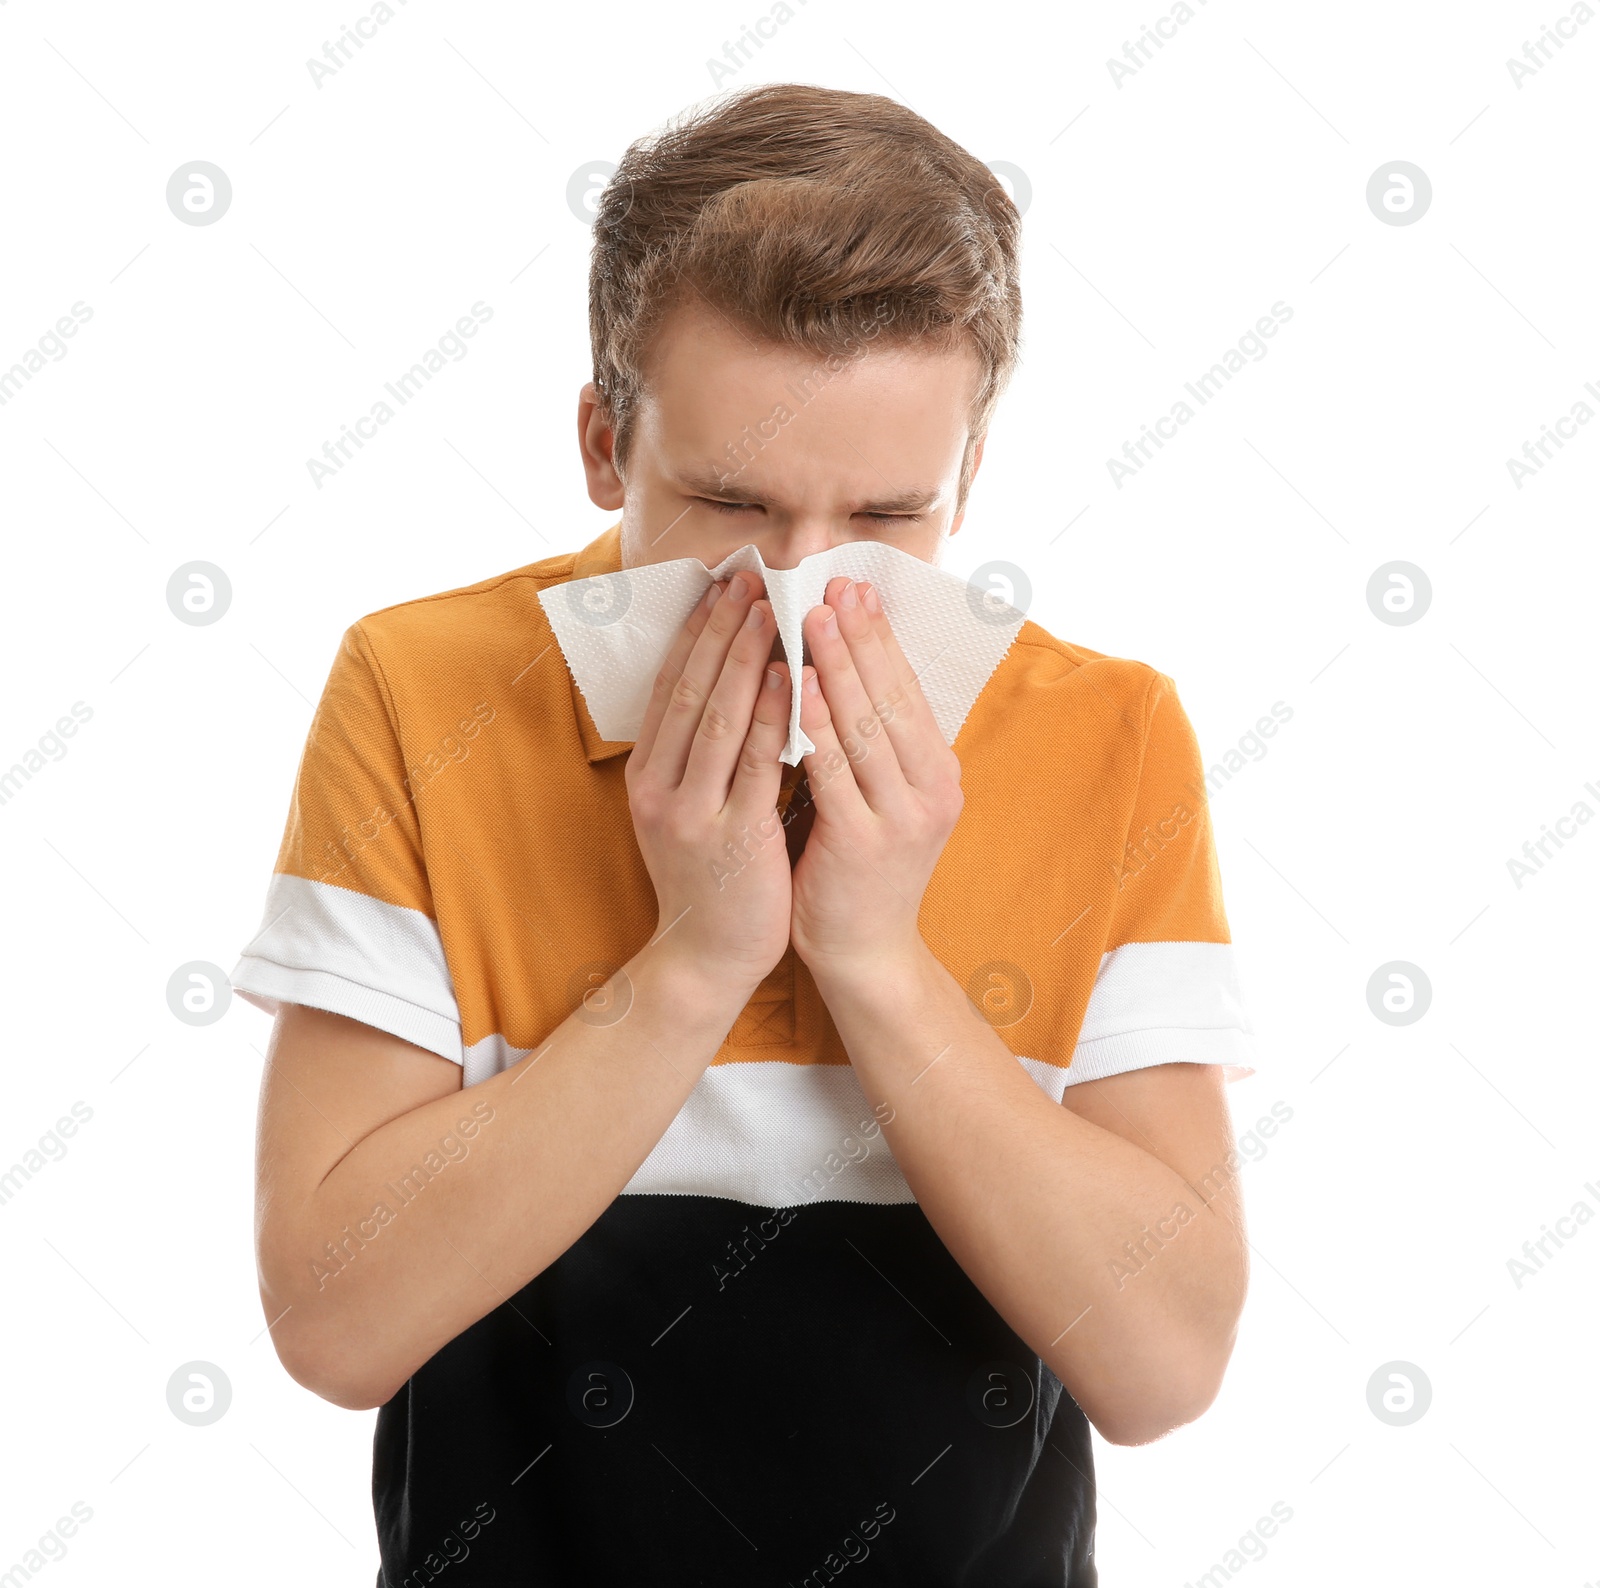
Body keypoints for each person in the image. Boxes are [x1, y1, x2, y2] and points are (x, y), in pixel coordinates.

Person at [232, 81, 1257, 1587]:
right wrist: (697, 959)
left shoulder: (1109, 734)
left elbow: (1163, 1370)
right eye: (730, 502)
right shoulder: (421, 693)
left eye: (887, 520)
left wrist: (874, 958)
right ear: (602, 443)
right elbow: (337, 1321)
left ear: (966, 478)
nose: (801, 585)